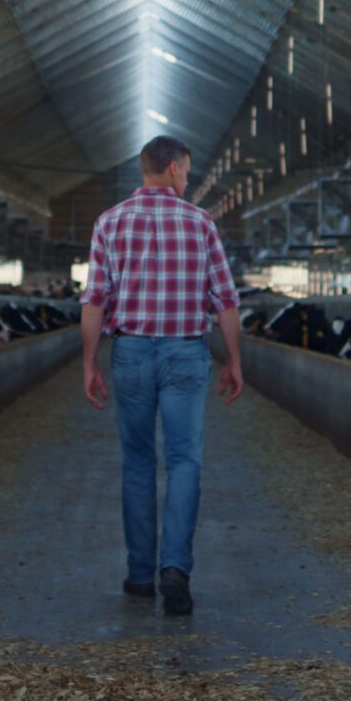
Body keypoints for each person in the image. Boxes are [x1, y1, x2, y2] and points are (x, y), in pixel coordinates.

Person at [79, 134, 243, 616]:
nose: (188, 179)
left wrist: (89, 362)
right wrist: (233, 359)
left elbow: (95, 301)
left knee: (137, 462)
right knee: (184, 460)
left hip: (129, 351)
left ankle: (138, 575)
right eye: (187, 170)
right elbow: (226, 302)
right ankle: (175, 569)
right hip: (185, 354)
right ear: (172, 169)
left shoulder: (109, 223)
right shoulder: (200, 223)